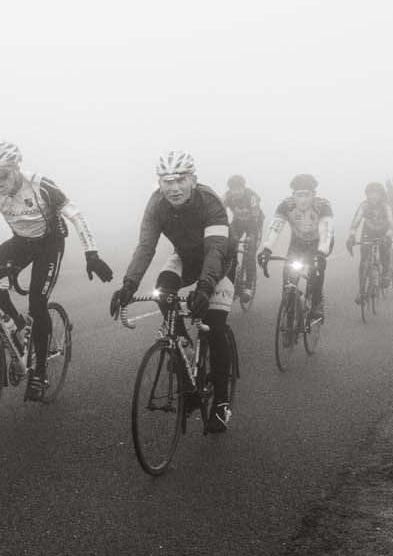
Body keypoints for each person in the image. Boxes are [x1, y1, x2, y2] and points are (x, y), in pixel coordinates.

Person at [0, 142, 114, 400]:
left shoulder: (41, 186)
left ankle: (40, 373)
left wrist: (92, 254)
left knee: (38, 304)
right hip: (21, 241)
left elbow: (76, 215)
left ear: (17, 169)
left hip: (49, 245)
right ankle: (18, 325)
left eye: (3, 174)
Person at [108, 151, 235, 433]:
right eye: (166, 181)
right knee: (163, 290)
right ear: (159, 183)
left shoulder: (209, 202)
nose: (174, 187)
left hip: (220, 260)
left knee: (214, 327)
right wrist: (128, 285)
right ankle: (182, 347)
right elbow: (145, 248)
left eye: (181, 179)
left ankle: (223, 404)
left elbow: (215, 250)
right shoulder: (157, 204)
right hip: (186, 257)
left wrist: (204, 288)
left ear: (193, 180)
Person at [256, 173, 335, 322]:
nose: (303, 199)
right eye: (299, 195)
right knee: (288, 276)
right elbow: (275, 228)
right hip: (298, 242)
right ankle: (290, 307)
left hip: (319, 242)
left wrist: (322, 252)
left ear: (314, 194)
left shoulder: (323, 206)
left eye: (307, 194)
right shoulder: (286, 205)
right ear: (293, 195)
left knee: (316, 269)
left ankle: (317, 302)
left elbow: (326, 231)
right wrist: (267, 249)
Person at [345, 181, 393, 302]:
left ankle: (385, 273)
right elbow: (356, 221)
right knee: (364, 262)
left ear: (381, 195)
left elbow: (392, 224)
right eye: (370, 194)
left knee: (384, 250)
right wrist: (352, 236)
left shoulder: (386, 205)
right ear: (367, 195)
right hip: (367, 232)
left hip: (384, 231)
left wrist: (388, 235)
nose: (373, 196)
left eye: (376, 194)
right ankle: (361, 291)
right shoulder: (364, 205)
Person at [223, 174, 265, 303]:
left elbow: (255, 214)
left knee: (249, 252)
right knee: (229, 247)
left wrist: (251, 238)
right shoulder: (227, 196)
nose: (236, 192)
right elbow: (220, 211)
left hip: (253, 223)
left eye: (239, 189)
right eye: (234, 189)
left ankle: (248, 286)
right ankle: (232, 276)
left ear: (244, 188)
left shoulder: (251, 196)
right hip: (237, 223)